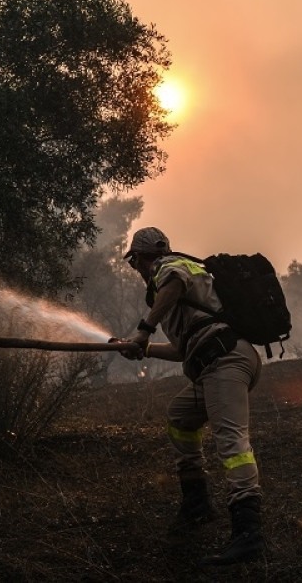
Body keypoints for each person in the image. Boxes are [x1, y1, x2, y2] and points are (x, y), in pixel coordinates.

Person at [117, 227, 265, 566]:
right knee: (181, 418)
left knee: (232, 445)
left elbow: (175, 281)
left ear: (140, 257)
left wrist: (143, 329)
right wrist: (145, 349)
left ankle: (248, 534)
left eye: (133, 262)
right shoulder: (177, 289)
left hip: (224, 361)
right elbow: (185, 348)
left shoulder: (168, 268)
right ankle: (197, 505)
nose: (135, 270)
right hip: (215, 361)